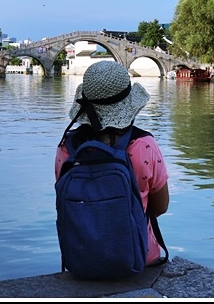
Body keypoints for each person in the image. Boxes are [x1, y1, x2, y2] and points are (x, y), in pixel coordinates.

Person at [54, 60, 170, 267]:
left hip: (82, 260)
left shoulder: (67, 147)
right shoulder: (144, 145)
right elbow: (160, 207)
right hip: (140, 256)